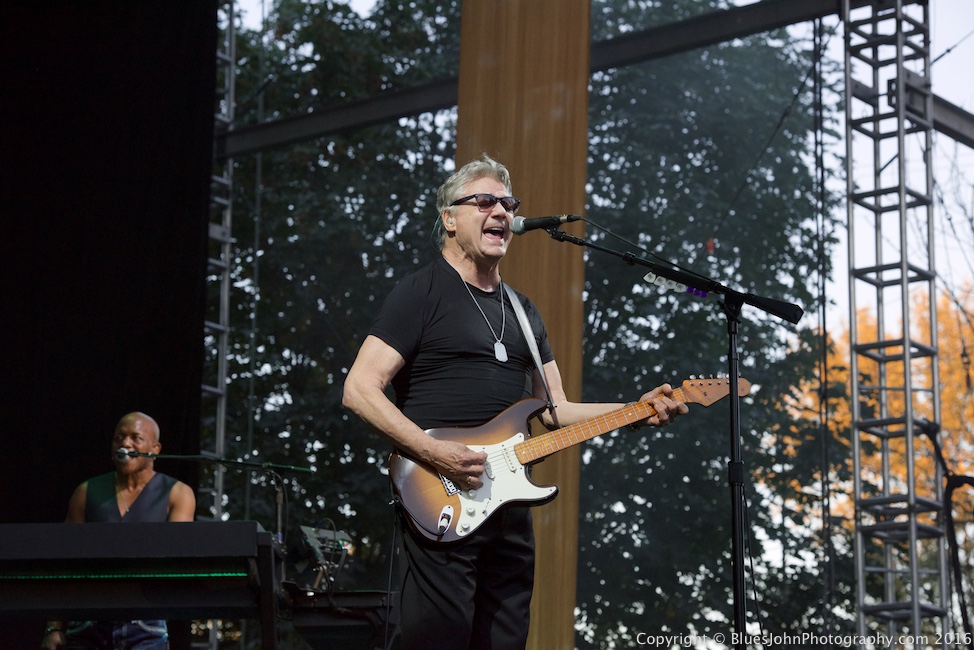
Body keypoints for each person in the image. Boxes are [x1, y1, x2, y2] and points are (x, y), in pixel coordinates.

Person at [342, 153, 687, 649]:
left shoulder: (524, 312)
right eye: (484, 201)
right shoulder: (420, 293)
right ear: (449, 218)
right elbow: (359, 389)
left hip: (507, 508)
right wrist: (434, 451)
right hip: (441, 495)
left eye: (508, 203)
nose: (500, 211)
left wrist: (634, 410)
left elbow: (553, 411)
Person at [41, 411, 197, 650]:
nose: (125, 443)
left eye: (136, 438)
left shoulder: (177, 493)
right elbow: (65, 563)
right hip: (88, 621)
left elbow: (175, 562)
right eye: (119, 438)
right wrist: (55, 626)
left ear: (155, 448)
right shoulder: (86, 491)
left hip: (145, 624)